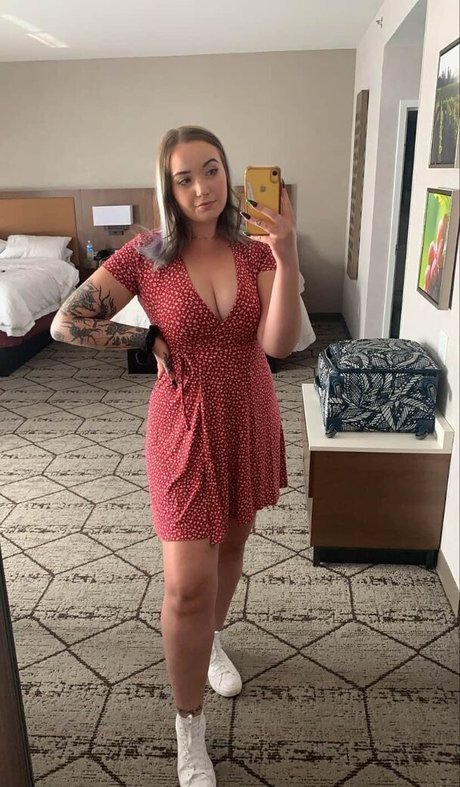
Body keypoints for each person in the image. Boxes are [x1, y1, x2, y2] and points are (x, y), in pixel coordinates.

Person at [51, 125, 301, 787]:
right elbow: (67, 322)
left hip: (248, 414)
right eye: (184, 177)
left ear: (229, 174)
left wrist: (287, 254)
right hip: (183, 425)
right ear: (168, 187)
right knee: (187, 585)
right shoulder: (145, 255)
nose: (201, 188)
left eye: (211, 170)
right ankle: (189, 727)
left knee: (232, 544)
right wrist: (144, 336)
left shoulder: (255, 251)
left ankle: (212, 640)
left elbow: (278, 346)